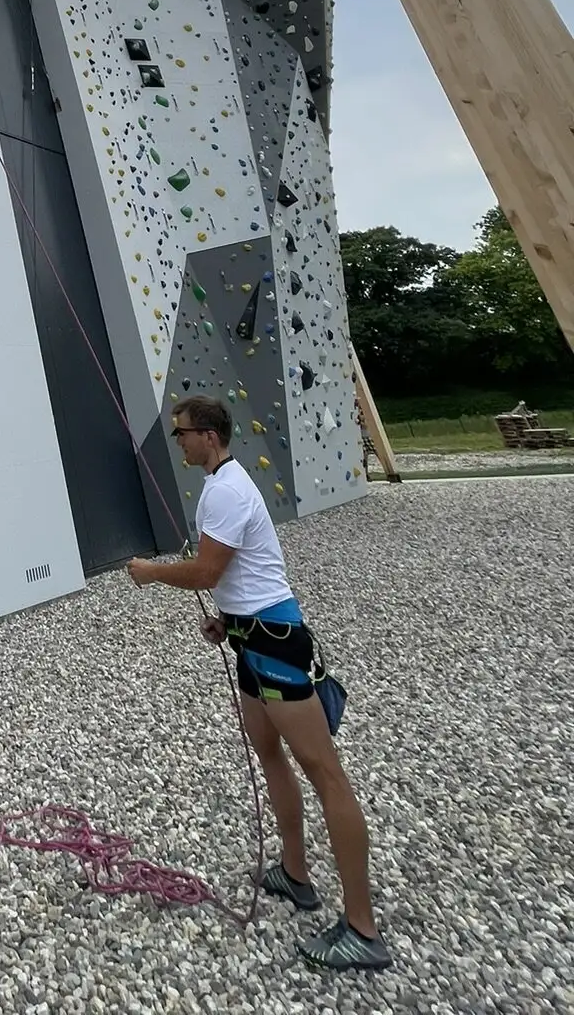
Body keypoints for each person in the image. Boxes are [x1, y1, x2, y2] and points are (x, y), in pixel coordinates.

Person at [126, 395, 391, 972]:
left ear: (209, 436)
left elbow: (205, 571)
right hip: (252, 637)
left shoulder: (223, 490)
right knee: (267, 749)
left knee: (326, 773)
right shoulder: (226, 481)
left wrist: (149, 573)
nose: (179, 443)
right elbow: (243, 572)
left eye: (183, 434)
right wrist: (228, 619)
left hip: (275, 645)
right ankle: (295, 874)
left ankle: (363, 929)